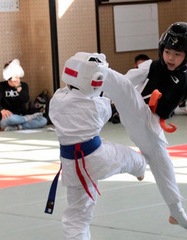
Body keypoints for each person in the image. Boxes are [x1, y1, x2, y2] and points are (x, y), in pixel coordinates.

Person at [103, 22, 187, 232]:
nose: (170, 58)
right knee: (122, 88)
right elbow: (124, 82)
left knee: (164, 167)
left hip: (152, 126)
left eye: (177, 54)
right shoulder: (151, 66)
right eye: (167, 52)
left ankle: (176, 211)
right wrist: (105, 96)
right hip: (136, 109)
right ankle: (96, 68)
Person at [46, 52, 146, 240]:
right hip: (95, 157)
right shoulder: (97, 107)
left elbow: (74, 96)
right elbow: (106, 107)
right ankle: (141, 168)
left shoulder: (57, 100)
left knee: (77, 215)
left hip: (70, 165)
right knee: (127, 157)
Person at [0, 59, 47, 131]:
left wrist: (19, 90)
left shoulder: (23, 85)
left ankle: (18, 127)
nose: (18, 79)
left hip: (22, 114)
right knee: (10, 119)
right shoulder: (0, 86)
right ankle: (27, 119)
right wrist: (2, 110)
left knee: (43, 121)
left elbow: (26, 99)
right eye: (15, 76)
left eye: (19, 77)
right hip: (9, 118)